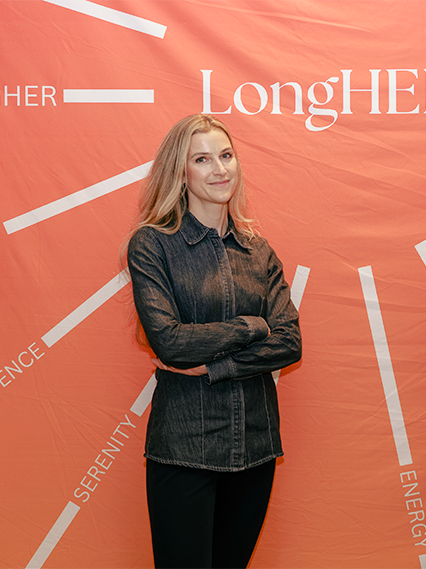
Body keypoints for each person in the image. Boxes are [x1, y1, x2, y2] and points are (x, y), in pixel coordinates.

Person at [126, 114, 302, 569]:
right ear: (179, 173)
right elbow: (170, 343)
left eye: (225, 156)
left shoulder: (258, 250)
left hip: (256, 446)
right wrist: (250, 326)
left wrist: (216, 366)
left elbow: (290, 342)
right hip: (185, 446)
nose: (219, 169)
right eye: (202, 159)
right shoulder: (152, 245)